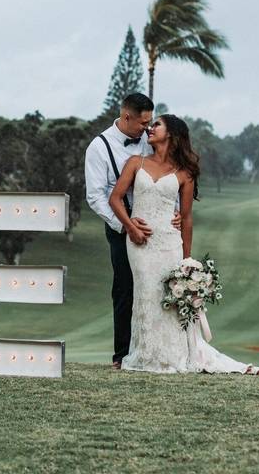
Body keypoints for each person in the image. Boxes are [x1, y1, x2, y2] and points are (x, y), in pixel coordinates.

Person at [108, 114, 259, 375]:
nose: (150, 128)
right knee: (145, 294)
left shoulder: (184, 172)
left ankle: (173, 356)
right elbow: (115, 199)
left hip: (169, 243)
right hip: (140, 244)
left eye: (157, 124)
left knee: (169, 300)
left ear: (171, 134)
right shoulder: (135, 163)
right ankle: (145, 355)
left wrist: (187, 261)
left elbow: (186, 217)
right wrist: (130, 226)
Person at [84, 93, 180, 369]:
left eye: (151, 123)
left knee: (161, 285)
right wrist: (125, 226)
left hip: (159, 229)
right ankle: (122, 355)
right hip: (120, 226)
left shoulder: (151, 142)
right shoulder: (99, 147)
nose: (147, 129)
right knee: (125, 287)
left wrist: (173, 212)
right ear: (127, 117)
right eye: (143, 123)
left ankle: (160, 349)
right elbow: (96, 196)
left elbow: (167, 174)